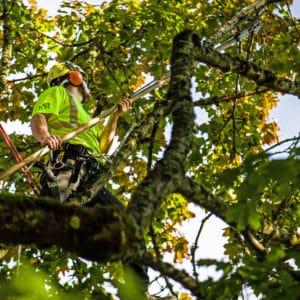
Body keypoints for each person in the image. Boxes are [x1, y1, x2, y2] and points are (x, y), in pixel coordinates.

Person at [30, 61, 149, 299]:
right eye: (82, 77)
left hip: (90, 172)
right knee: (48, 216)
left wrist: (115, 117)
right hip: (70, 163)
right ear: (74, 77)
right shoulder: (58, 92)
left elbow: (103, 147)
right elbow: (38, 117)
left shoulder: (85, 117)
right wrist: (45, 137)